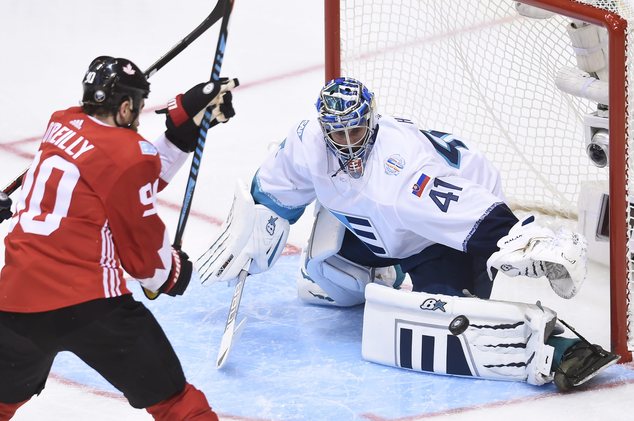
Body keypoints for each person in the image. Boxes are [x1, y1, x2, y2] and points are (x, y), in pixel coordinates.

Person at [197, 77, 619, 392]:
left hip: (439, 237)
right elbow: (273, 189)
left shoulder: (404, 178)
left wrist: (526, 242)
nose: (346, 144)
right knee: (325, 281)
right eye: (336, 133)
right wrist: (259, 230)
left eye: (355, 131)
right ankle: (390, 273)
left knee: (444, 324)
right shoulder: (309, 140)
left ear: (372, 121)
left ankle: (554, 347)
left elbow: (480, 218)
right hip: (374, 226)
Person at [0, 56, 238, 420]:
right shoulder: (129, 155)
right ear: (126, 106)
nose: (139, 116)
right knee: (176, 404)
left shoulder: (61, 122)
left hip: (15, 303)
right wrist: (173, 273)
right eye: (138, 108)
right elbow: (145, 263)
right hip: (91, 304)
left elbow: (113, 179)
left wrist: (178, 137)